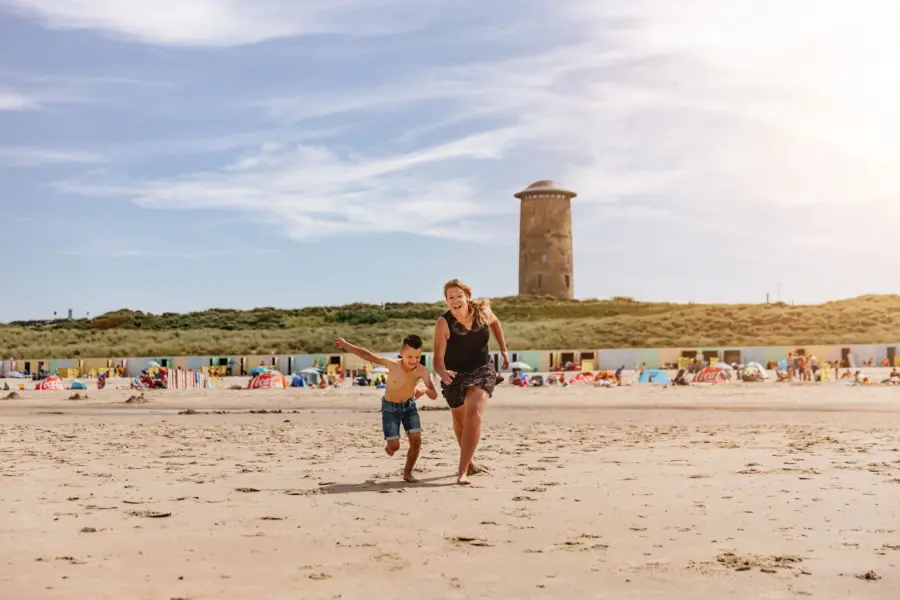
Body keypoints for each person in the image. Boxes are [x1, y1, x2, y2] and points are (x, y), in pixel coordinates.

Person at [433, 279, 509, 485]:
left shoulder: (483, 312)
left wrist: (503, 347)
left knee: (474, 412)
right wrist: (441, 371)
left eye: (459, 295)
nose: (455, 300)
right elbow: (438, 357)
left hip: (482, 370)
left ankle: (462, 471)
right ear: (446, 301)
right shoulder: (443, 323)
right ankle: (471, 463)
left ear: (467, 295)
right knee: (459, 422)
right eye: (451, 297)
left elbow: (495, 323)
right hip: (455, 375)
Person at [335, 335, 437, 483]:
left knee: (416, 441)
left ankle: (407, 473)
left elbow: (434, 395)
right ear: (401, 353)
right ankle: (391, 444)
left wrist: (425, 389)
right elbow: (369, 356)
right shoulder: (392, 364)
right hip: (390, 409)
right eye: (410, 357)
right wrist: (347, 346)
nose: (414, 361)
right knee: (394, 447)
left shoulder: (422, 371)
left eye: (417, 357)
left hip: (409, 407)